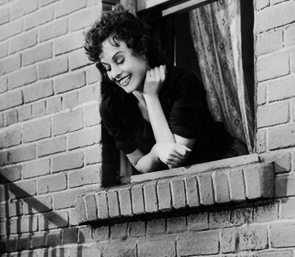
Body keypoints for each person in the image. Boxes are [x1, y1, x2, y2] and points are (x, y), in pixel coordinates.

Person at [84, 5, 247, 174]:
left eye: (119, 61)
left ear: (142, 49)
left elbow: (175, 159)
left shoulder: (183, 82)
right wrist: (156, 152)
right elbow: (139, 162)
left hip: (226, 169)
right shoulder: (112, 106)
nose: (114, 73)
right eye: (107, 68)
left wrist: (151, 97)